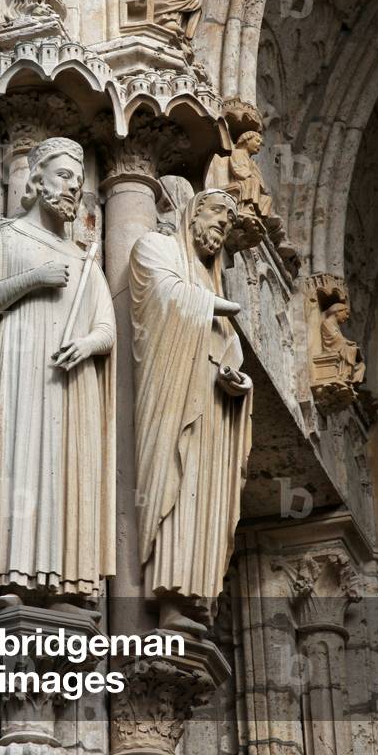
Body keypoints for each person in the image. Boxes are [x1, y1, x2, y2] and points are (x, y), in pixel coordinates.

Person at [0, 138, 116, 601]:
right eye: (64, 175)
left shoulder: (86, 260)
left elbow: (106, 328)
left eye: (79, 181)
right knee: (19, 465)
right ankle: (9, 577)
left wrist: (86, 345)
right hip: (19, 373)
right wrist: (33, 279)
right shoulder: (4, 236)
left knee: (67, 474)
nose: (73, 187)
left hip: (72, 384)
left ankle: (69, 587)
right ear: (36, 178)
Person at [129, 189, 252, 633]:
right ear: (192, 212)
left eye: (230, 221)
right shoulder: (156, 247)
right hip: (172, 400)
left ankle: (193, 594)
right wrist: (215, 304)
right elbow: (159, 295)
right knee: (175, 488)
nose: (223, 225)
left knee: (203, 495)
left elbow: (228, 349)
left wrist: (240, 384)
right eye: (218, 213)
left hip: (211, 408)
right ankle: (166, 596)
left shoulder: (208, 278)